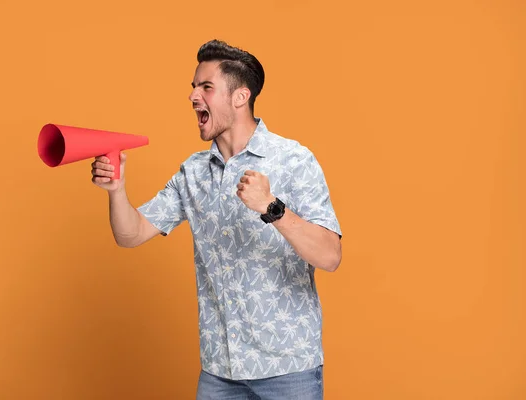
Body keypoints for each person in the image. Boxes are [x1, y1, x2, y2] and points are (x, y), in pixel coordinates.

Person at [91, 39, 342, 400]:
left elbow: (330, 255)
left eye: (205, 87)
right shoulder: (193, 173)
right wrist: (116, 190)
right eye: (193, 87)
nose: (193, 96)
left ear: (240, 97)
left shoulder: (294, 159)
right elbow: (131, 234)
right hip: (220, 374)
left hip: (288, 371)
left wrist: (272, 208)